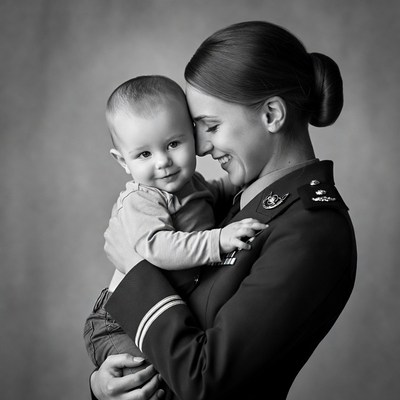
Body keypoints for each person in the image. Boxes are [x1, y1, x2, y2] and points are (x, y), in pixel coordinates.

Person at [90, 20, 357, 400]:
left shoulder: (312, 230)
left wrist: (135, 271)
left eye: (210, 126)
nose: (199, 148)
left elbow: (208, 381)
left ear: (271, 115)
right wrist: (105, 385)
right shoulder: (243, 199)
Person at [83, 75, 267, 379]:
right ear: (122, 161)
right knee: (147, 381)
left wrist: (245, 177)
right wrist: (218, 240)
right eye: (144, 154)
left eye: (172, 144)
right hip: (119, 319)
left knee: (170, 376)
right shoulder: (140, 200)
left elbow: (217, 193)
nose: (163, 162)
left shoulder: (191, 184)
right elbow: (160, 248)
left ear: (192, 138)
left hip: (164, 311)